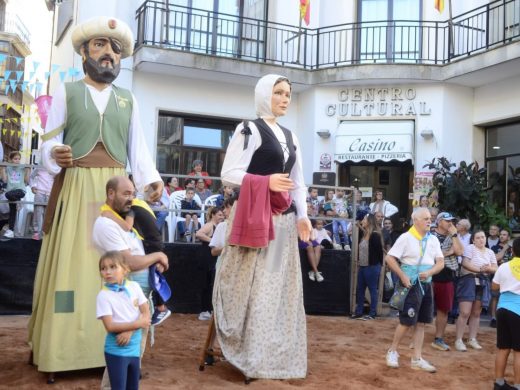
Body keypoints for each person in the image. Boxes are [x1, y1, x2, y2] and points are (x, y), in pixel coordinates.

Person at [28, 17, 164, 376]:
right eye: (101, 45)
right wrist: (52, 155)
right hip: (75, 189)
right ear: (84, 51)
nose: (109, 54)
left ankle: (112, 350)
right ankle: (64, 352)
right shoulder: (67, 91)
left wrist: (151, 181)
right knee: (73, 270)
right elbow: (48, 143)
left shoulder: (128, 99)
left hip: (116, 195)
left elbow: (139, 150)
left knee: (117, 269)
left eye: (116, 49)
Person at [213, 74, 311, 380]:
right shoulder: (248, 129)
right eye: (278, 92)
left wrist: (304, 216)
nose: (284, 98)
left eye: (288, 93)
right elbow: (228, 173)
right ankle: (251, 357)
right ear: (264, 95)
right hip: (253, 218)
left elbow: (299, 183)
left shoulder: (292, 136)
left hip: (282, 222)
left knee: (274, 289)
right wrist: (265, 181)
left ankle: (270, 357)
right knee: (250, 287)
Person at [92, 176, 169, 388]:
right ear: (110, 194)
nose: (131, 199)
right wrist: (158, 257)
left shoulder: (120, 220)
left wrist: (155, 262)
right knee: (122, 357)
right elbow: (129, 263)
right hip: (127, 299)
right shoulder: (106, 224)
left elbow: (136, 256)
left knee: (132, 355)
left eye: (133, 194)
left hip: (137, 293)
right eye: (126, 194)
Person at [385, 207, 444, 372]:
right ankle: (392, 351)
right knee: (406, 321)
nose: (429, 221)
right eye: (425, 218)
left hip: (426, 284)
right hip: (410, 284)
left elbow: (440, 262)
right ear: (415, 220)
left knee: (422, 323)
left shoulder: (433, 240)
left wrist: (430, 272)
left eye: (429, 218)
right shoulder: (406, 237)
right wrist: (402, 276)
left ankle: (417, 358)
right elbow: (389, 258)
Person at [101, 193, 171, 326]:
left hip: (151, 245)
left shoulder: (132, 209)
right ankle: (160, 307)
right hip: (153, 243)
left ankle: (161, 308)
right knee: (154, 274)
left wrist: (110, 216)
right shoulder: (137, 206)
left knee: (153, 275)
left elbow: (127, 226)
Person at [96, 251, 150, 390]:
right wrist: (138, 324)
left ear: (125, 269)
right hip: (116, 350)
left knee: (133, 387)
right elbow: (110, 327)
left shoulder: (134, 287)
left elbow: (146, 312)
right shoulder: (103, 295)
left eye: (113, 267)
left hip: (134, 348)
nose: (107, 272)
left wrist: (130, 331)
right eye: (103, 268)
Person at [454, 230, 498, 351]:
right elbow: (465, 263)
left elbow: (495, 268)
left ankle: (472, 339)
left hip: (483, 282)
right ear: (473, 240)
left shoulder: (490, 252)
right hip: (468, 280)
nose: (481, 239)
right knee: (464, 312)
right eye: (478, 238)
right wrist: (480, 270)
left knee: (476, 313)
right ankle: (459, 339)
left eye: (483, 237)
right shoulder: (469, 248)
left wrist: (488, 268)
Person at [430, 212, 463, 351]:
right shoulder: (429, 234)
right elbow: (431, 254)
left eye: (451, 220)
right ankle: (415, 337)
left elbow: (460, 251)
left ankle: (438, 339)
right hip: (429, 273)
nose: (450, 222)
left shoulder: (453, 236)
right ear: (439, 221)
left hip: (447, 275)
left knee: (443, 309)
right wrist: (449, 252)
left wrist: (455, 235)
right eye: (447, 220)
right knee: (421, 306)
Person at [492, 237, 520, 390]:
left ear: (512, 250)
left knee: (503, 348)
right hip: (519, 311)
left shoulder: (504, 266)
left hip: (502, 309)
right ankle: (518, 386)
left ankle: (499, 383)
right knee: (519, 352)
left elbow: (494, 287)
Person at [352, 213, 384, 320]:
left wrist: (379, 265)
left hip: (372, 266)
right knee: (360, 289)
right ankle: (359, 311)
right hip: (363, 266)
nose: (363, 221)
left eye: (364, 219)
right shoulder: (365, 233)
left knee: (372, 290)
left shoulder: (375, 235)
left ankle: (372, 313)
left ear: (369, 221)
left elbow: (380, 252)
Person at [195, 206, 224, 320]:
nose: (221, 217)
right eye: (219, 215)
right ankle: (204, 311)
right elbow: (199, 234)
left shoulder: (219, 226)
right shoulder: (209, 225)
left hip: (212, 259)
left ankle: (209, 309)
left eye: (222, 215)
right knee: (205, 285)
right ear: (213, 215)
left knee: (210, 285)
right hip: (205, 258)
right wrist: (212, 241)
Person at [1, 151, 31, 238]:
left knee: (9, 197)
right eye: (15, 159)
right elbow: (5, 180)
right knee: (12, 211)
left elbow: (26, 180)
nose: (17, 161)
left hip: (20, 191)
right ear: (11, 159)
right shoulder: (8, 167)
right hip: (11, 193)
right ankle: (11, 230)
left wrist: (28, 170)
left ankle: (18, 201)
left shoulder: (22, 167)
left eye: (18, 159)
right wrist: (3, 169)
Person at [490, 229, 514, 328]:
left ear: (508, 237)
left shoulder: (513, 248)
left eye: (504, 235)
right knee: (495, 297)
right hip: (498, 275)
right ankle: (493, 318)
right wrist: (504, 249)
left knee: (507, 297)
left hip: (510, 277)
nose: (502, 236)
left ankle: (505, 319)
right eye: (501, 235)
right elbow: (495, 258)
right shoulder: (494, 247)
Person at [29, 166, 54, 240]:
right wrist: (32, 186)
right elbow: (31, 177)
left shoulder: (55, 168)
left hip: (50, 193)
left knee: (48, 213)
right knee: (38, 212)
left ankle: (46, 232)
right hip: (39, 192)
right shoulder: (39, 167)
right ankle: (36, 232)